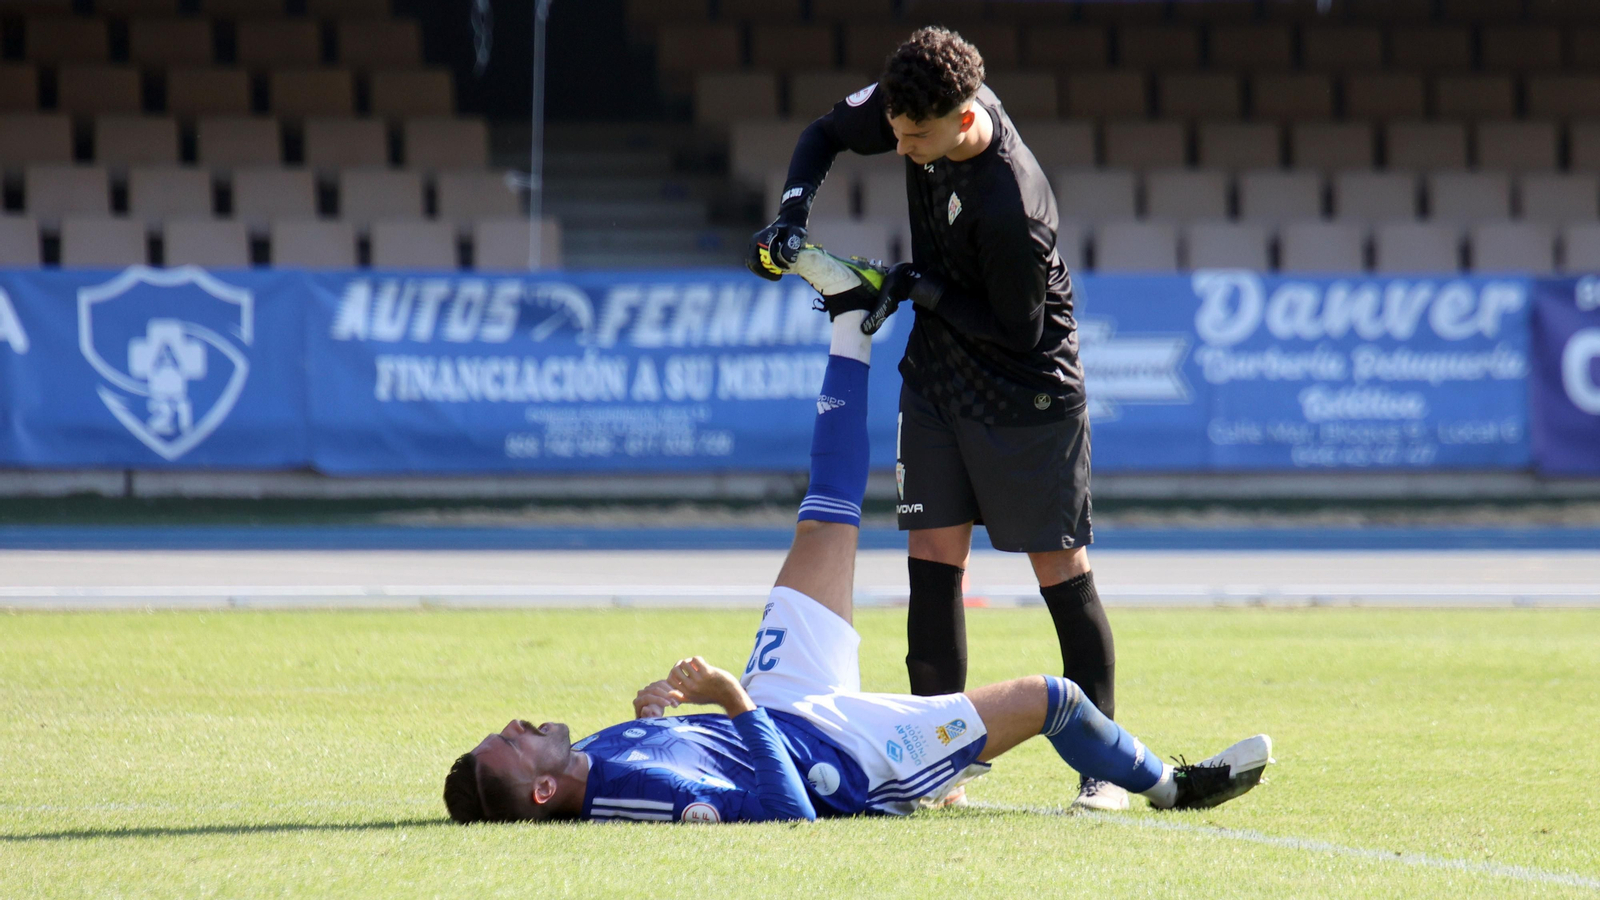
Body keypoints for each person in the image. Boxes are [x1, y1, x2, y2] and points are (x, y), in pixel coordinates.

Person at [442, 296, 1274, 826]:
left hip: (785, 705)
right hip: (848, 760)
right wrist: (731, 697)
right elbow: (788, 813)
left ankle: (849, 317)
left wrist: (659, 713)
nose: (516, 724)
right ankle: (1173, 788)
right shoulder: (633, 802)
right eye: (511, 744)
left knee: (824, 516)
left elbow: (692, 753)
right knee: (1052, 698)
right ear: (542, 791)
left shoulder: (589, 760)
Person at [743, 26, 1124, 809]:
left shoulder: (1011, 200)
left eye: (917, 138)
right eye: (896, 132)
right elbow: (822, 134)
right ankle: (938, 770)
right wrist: (791, 215)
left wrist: (921, 288)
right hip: (940, 375)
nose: (903, 148)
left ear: (965, 117)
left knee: (1060, 569)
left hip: (1028, 390)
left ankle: (1105, 772)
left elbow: (1018, 330)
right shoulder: (909, 108)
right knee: (932, 558)